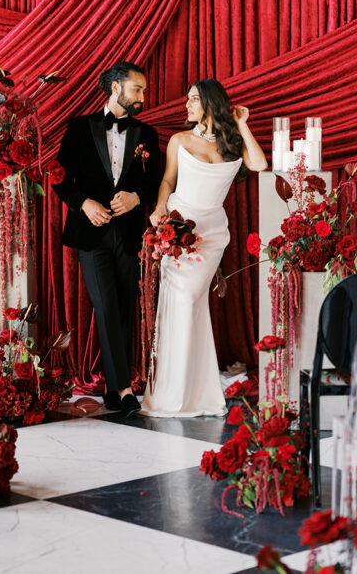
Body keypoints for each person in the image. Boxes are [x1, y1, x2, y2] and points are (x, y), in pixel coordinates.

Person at [141, 79, 267, 417]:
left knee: (191, 300)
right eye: (188, 100)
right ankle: (175, 390)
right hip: (178, 228)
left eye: (194, 99)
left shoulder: (232, 143)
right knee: (183, 300)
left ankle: (196, 391)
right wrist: (159, 208)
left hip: (212, 234)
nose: (187, 105)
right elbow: (168, 180)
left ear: (211, 103)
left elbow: (259, 165)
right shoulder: (180, 141)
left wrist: (241, 123)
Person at [53, 62, 162, 418]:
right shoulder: (79, 127)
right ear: (116, 88)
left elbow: (155, 182)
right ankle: (124, 388)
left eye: (143, 91)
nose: (142, 97)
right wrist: (83, 203)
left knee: (125, 307)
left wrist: (136, 198)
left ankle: (114, 390)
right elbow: (58, 177)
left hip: (129, 231)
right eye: (137, 89)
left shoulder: (147, 134)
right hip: (91, 232)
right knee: (106, 304)